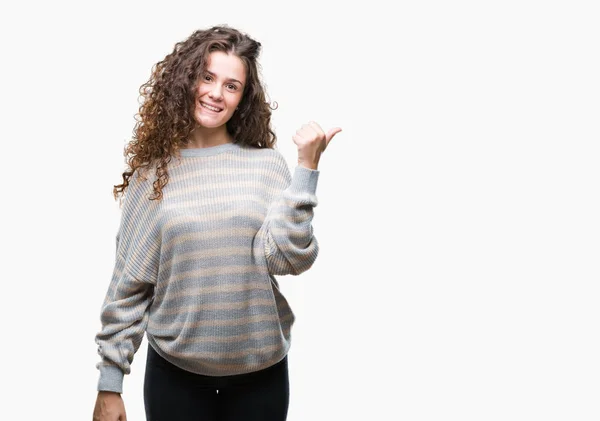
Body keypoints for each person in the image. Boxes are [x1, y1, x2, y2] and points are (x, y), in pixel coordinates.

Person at [92, 24, 342, 421]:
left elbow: (290, 260)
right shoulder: (151, 175)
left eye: (231, 85)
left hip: (262, 377)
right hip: (175, 377)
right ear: (186, 80)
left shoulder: (265, 166)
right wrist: (110, 384)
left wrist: (307, 168)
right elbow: (129, 285)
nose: (215, 93)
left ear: (243, 98)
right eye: (207, 77)